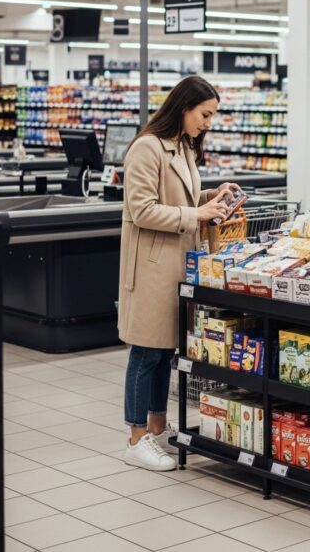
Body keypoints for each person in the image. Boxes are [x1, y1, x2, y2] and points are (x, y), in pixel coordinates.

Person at [118, 76, 237, 471]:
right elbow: (143, 209)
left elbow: (180, 199)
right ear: (184, 107)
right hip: (152, 265)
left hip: (178, 262)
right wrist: (196, 214)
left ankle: (156, 425)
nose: (208, 122)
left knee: (165, 349)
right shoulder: (147, 148)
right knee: (146, 350)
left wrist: (210, 197)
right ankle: (136, 437)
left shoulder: (183, 147)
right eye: (205, 114)